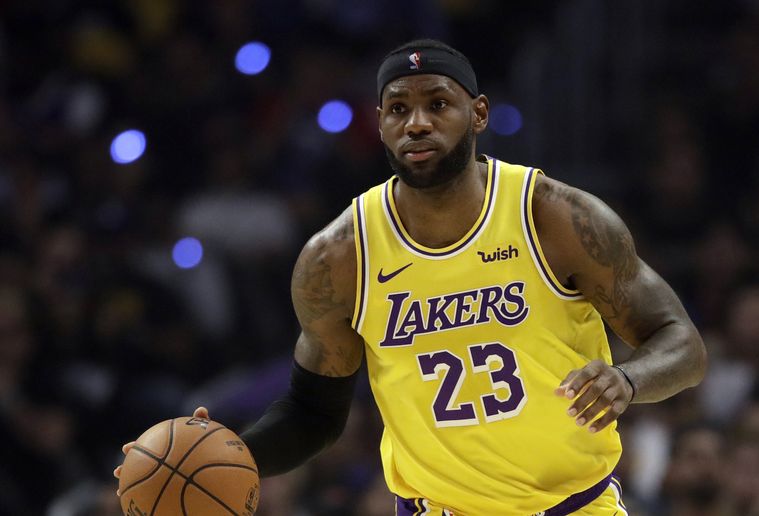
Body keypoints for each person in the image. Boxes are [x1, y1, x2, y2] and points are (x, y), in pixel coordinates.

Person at [115, 38, 707, 515]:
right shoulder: (340, 256)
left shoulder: (554, 216)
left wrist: (628, 381)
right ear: (380, 124)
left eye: (437, 104)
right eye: (399, 108)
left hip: (575, 506)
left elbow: (681, 343)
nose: (417, 123)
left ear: (477, 114)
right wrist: (231, 454)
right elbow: (315, 411)